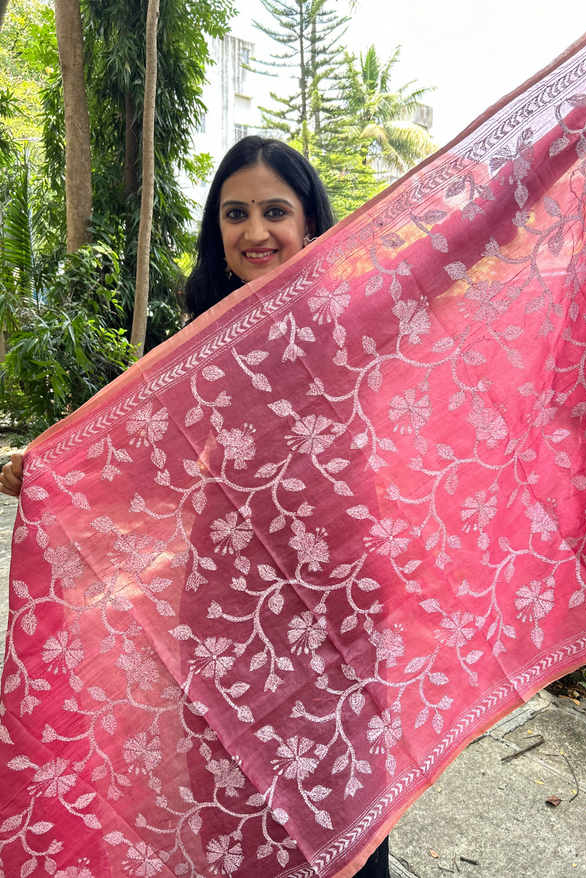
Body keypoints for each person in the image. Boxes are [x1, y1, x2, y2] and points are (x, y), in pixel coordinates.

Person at [0, 134, 390, 878]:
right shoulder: (205, 337)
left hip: (338, 603)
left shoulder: (353, 320)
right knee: (229, 797)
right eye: (234, 213)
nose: (254, 232)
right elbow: (145, 450)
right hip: (226, 613)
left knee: (344, 811)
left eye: (275, 211)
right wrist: (45, 467)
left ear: (309, 221)